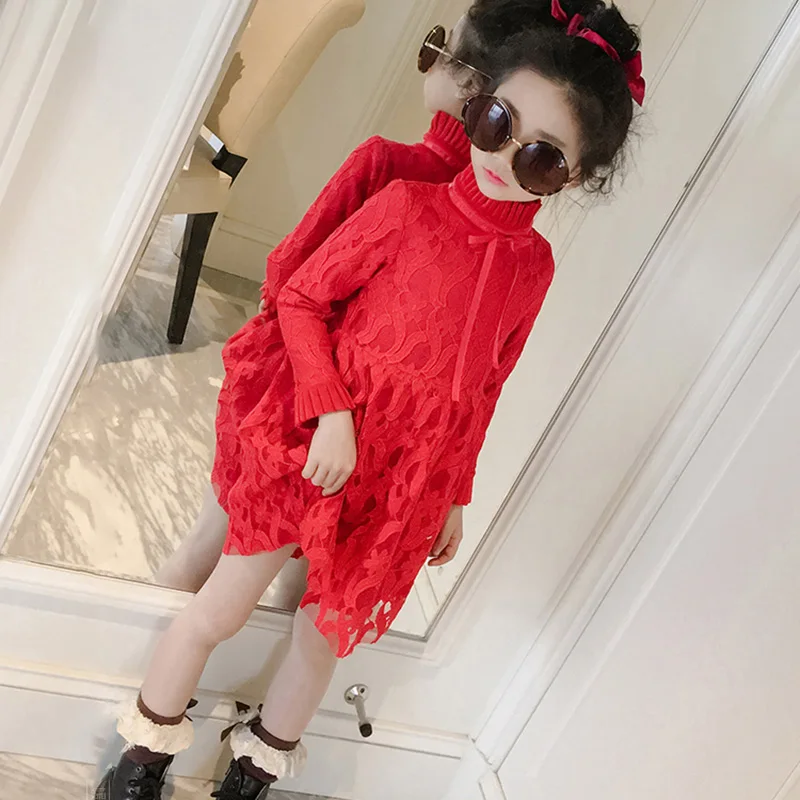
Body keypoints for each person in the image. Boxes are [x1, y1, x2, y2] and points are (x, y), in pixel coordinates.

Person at [97, 2, 644, 798]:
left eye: (541, 158)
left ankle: (251, 778)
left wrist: (453, 494)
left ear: (578, 176)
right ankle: (140, 762)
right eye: (496, 122)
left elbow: (484, 388)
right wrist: (331, 413)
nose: (502, 156)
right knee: (220, 608)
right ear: (478, 102)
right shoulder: (406, 204)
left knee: (321, 641)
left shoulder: (534, 267)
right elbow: (301, 296)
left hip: (398, 485)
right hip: (318, 451)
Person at [155, 7, 507, 594]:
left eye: (437, 49)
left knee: (212, 543)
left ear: (466, 83)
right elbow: (477, 381)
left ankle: (140, 643)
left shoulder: (386, 163)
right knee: (307, 582)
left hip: (300, 389)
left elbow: (288, 270)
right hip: (375, 436)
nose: (427, 61)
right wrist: (453, 491)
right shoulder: (493, 233)